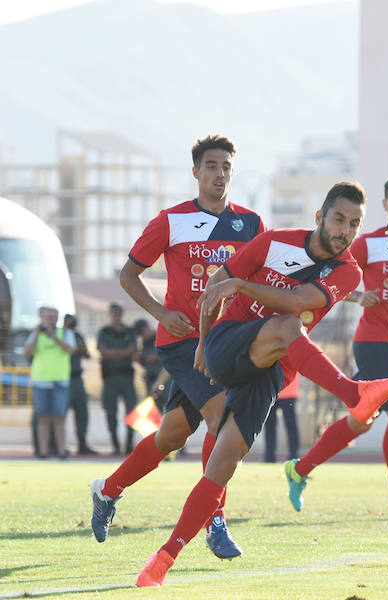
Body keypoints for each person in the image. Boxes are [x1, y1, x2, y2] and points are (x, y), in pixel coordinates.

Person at [135, 181, 388, 587]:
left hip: (273, 371)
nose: (345, 230)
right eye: (338, 219)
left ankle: (162, 560)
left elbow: (298, 300)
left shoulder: (348, 272)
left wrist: (242, 285)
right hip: (229, 342)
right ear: (319, 217)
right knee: (286, 326)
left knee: (223, 463)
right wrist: (203, 343)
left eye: (354, 224)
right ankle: (355, 394)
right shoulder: (272, 242)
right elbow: (215, 288)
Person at [89, 135, 264, 561]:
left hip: (225, 341)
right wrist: (160, 314)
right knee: (223, 417)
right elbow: (129, 275)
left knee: (170, 436)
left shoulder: (252, 225)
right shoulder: (171, 220)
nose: (219, 173)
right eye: (211, 166)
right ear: (196, 172)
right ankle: (215, 523)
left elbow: (264, 278)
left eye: (225, 166)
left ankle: (107, 490)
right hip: (182, 340)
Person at [284, 174, 388, 518]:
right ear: (385, 205)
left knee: (362, 420)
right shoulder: (368, 243)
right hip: (372, 340)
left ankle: (299, 470)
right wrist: (360, 295)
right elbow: (333, 277)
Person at [24, 306, 74, 458]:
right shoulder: (35, 333)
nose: (50, 320)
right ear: (42, 318)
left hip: (60, 381)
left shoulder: (65, 333)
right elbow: (27, 352)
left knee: (59, 417)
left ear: (57, 318)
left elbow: (70, 349)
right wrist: (37, 335)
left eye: (53, 317)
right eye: (48, 317)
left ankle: (61, 451)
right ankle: (43, 452)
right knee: (43, 417)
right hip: (41, 381)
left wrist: (53, 336)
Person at [97, 302, 138, 455]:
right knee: (110, 412)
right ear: (110, 314)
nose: (116, 316)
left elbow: (133, 349)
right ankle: (115, 445)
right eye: (113, 313)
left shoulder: (129, 331)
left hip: (126, 376)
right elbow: (103, 352)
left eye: (118, 313)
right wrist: (123, 352)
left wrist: (113, 353)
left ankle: (129, 445)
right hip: (110, 377)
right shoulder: (104, 331)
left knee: (131, 411)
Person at [64, 313, 97, 455]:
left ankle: (82, 443)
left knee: (82, 411)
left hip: (77, 378)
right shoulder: (61, 336)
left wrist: (81, 349)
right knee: (61, 412)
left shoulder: (78, 336)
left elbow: (86, 354)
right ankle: (57, 444)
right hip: (63, 378)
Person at [134, 318, 172, 411]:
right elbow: (145, 362)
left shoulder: (161, 337)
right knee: (154, 411)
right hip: (151, 381)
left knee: (171, 408)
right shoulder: (143, 344)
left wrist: (157, 357)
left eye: (142, 333)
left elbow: (172, 355)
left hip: (165, 381)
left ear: (147, 327)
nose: (141, 336)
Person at [263, 376, 300, 463]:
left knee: (291, 426)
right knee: (269, 426)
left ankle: (293, 457)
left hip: (289, 392)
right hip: (271, 392)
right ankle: (269, 457)